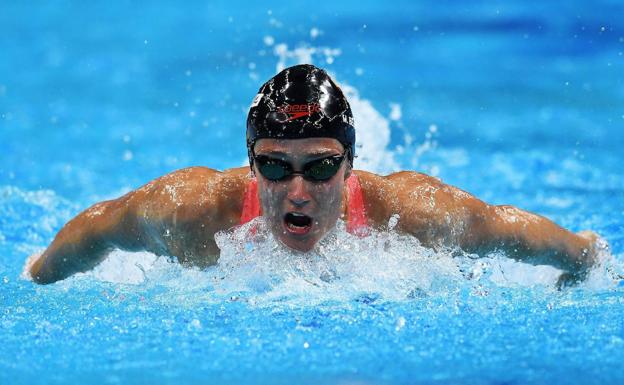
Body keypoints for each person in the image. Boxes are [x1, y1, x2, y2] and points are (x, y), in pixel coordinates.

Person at [26, 64, 599, 286]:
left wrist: (583, 259)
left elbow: (509, 230)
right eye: (274, 167)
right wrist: (38, 275)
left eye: (321, 168)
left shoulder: (414, 216)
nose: (297, 192)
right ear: (252, 165)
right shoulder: (191, 211)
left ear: (351, 166)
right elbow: (100, 227)